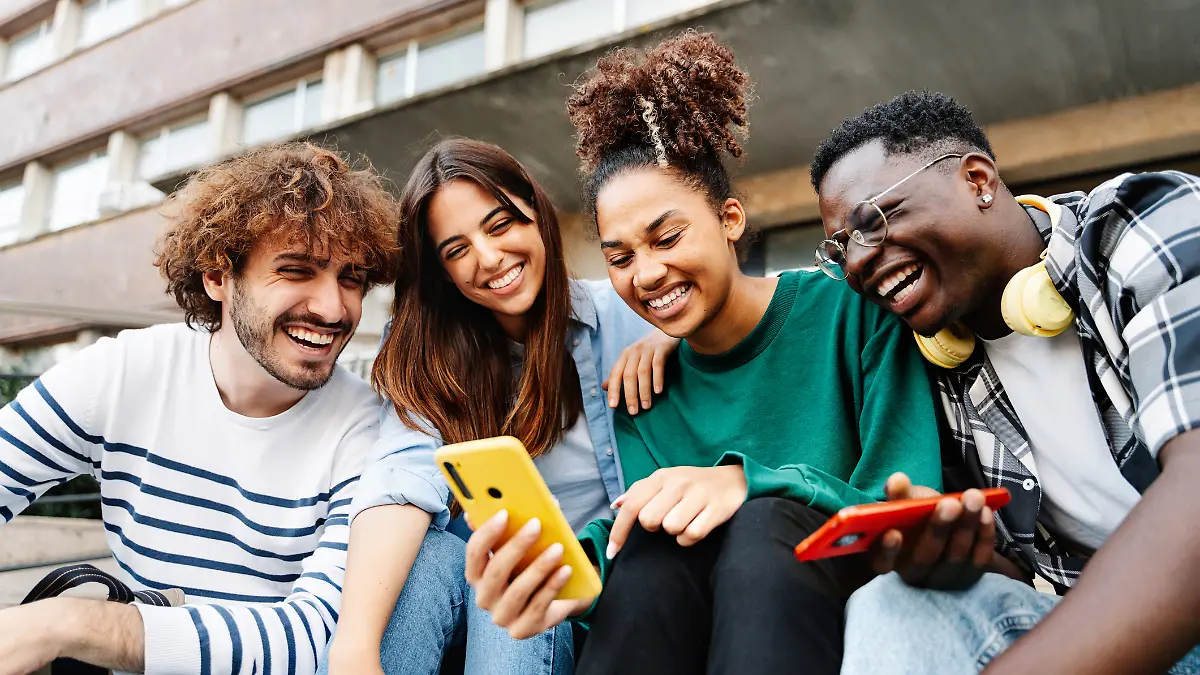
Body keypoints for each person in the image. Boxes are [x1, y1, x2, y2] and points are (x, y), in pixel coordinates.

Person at [460, 32, 946, 675]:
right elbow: (642, 542)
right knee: (651, 558)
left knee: (761, 528)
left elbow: (909, 496)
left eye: (667, 237)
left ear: (731, 220)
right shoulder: (643, 391)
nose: (648, 272)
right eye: (620, 257)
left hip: (848, 596)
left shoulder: (851, 312)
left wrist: (748, 483)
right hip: (714, 622)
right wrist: (558, 570)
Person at [809, 91, 1200, 675]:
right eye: (841, 249)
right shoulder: (939, 356)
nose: (859, 262)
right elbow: (1023, 571)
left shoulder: (1142, 222)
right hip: (1120, 630)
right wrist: (952, 560)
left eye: (872, 220)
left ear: (977, 180)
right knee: (895, 605)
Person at [0, 143, 400, 674]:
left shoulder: (369, 430)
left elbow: (321, 637)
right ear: (218, 277)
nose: (332, 307)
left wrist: (66, 625)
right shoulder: (125, 372)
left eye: (351, 279)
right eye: (297, 270)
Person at [324, 138, 675, 675]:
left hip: (604, 598)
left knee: (518, 566)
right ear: (441, 272)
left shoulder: (632, 312)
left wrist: (683, 335)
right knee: (443, 554)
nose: (489, 259)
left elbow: (761, 301)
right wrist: (354, 649)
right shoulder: (428, 350)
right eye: (456, 250)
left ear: (535, 212)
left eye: (499, 224)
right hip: (497, 611)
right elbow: (401, 476)